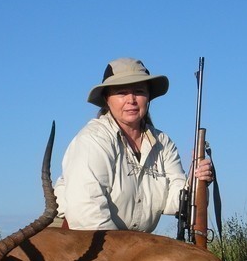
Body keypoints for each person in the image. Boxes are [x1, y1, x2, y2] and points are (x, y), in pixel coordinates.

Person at [54, 57, 213, 232]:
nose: (131, 99)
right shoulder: (93, 139)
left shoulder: (163, 143)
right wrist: (125, 254)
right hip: (80, 238)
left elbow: (174, 202)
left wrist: (196, 181)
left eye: (139, 91)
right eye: (121, 92)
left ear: (148, 97)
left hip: (132, 245)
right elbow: (86, 214)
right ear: (107, 99)